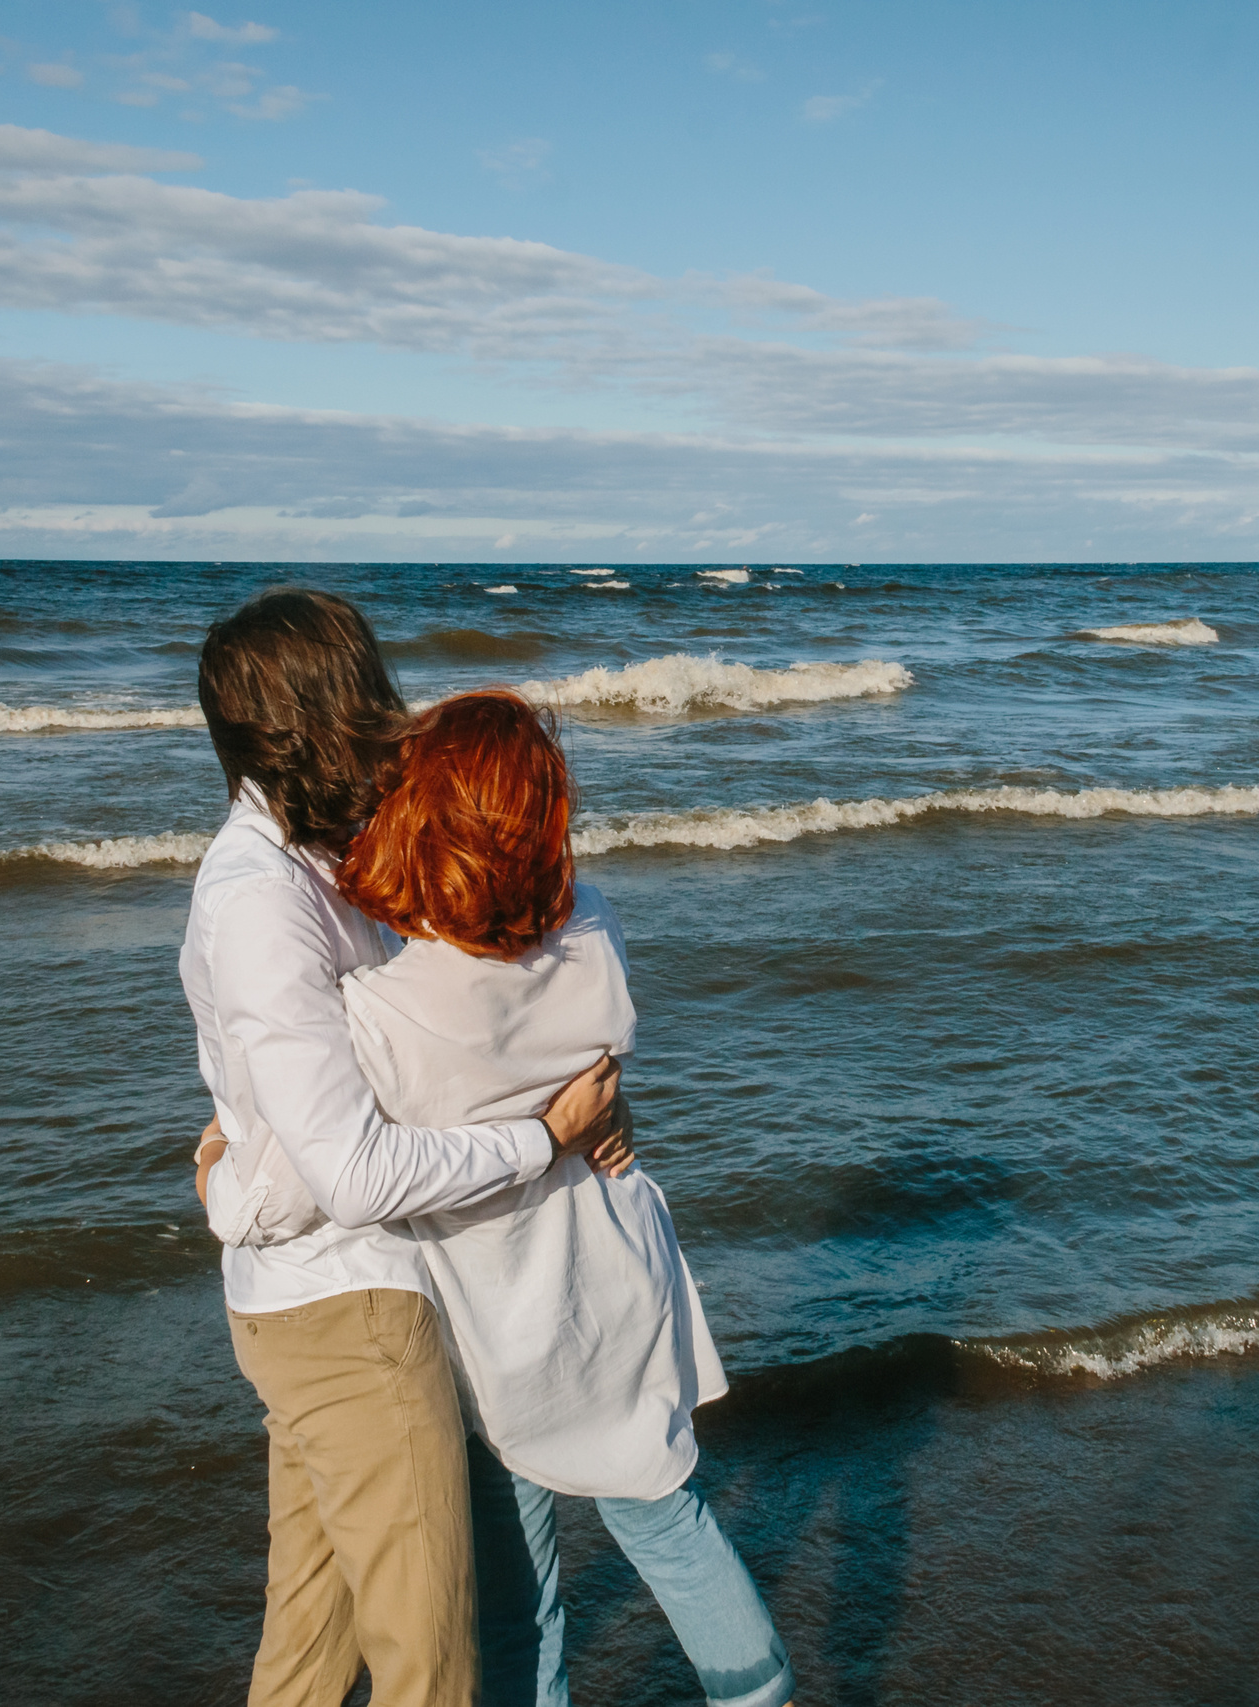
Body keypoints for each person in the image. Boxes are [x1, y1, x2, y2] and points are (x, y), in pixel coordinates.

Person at [180, 589, 632, 1707]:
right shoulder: (262, 902)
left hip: (321, 1300)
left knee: (308, 1652)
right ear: (308, 720)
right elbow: (348, 1172)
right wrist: (543, 1136)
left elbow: (426, 1054)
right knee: (430, 1666)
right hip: (352, 1314)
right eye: (366, 694)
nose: (390, 718)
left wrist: (580, 1102)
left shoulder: (320, 860)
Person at [332, 689, 795, 1707]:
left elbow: (359, 1163)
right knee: (668, 1522)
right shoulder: (592, 934)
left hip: (495, 1308)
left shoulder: (381, 1009)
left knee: (519, 1594)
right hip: (613, 1274)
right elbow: (592, 1062)